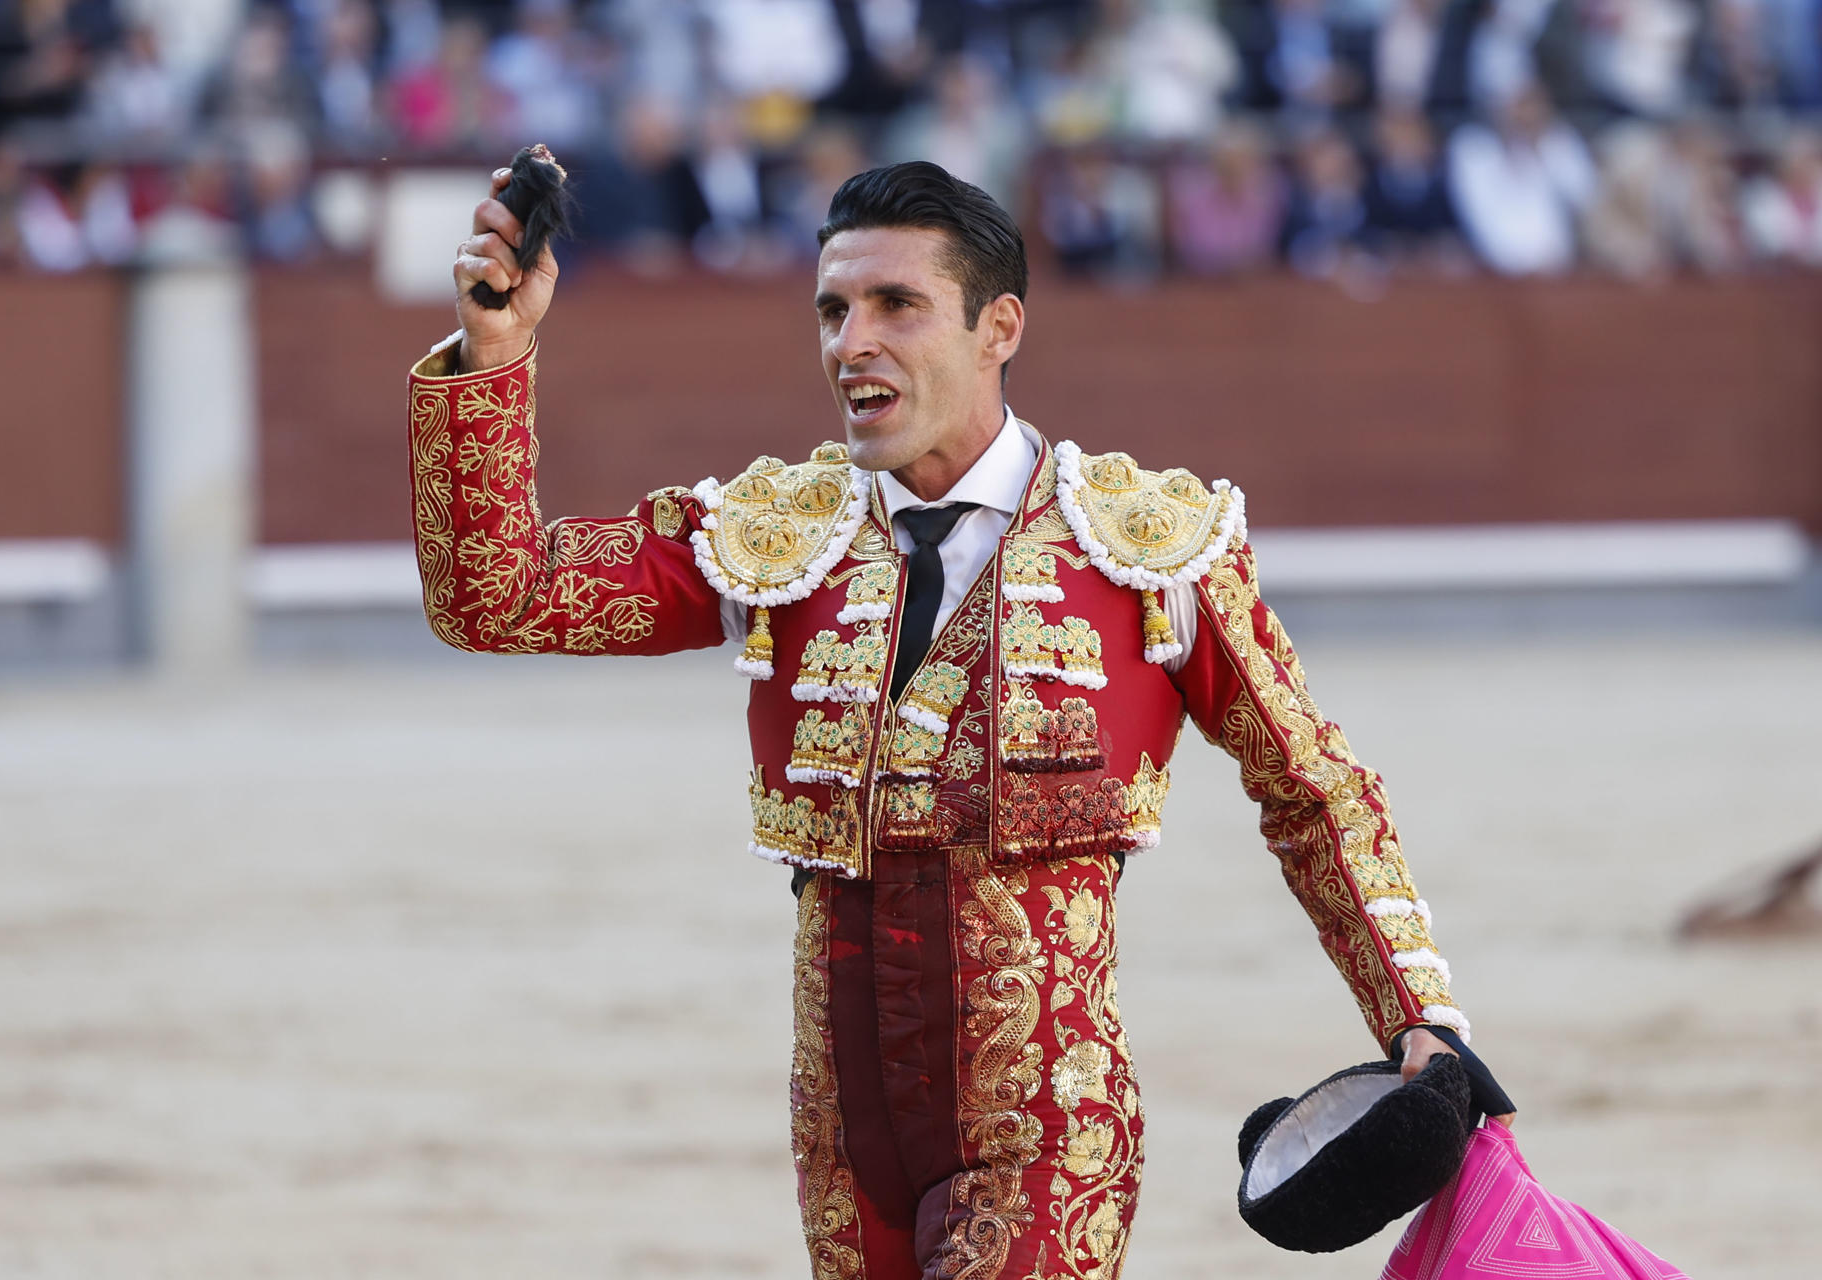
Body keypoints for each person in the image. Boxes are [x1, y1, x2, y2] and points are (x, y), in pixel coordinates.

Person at [408, 160, 1515, 1278]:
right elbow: (494, 595)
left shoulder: (1149, 547)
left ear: (1000, 327)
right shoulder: (773, 533)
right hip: (842, 1127)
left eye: (898, 305)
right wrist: (497, 352)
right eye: (834, 310)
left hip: (1041, 1120)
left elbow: (1310, 785)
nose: (853, 343)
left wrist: (1419, 1011)